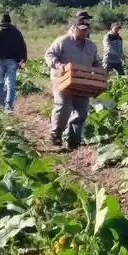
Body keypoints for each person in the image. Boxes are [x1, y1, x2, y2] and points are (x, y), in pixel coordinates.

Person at [44, 10, 102, 150]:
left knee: (81, 111)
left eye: (86, 30)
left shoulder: (91, 45)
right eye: (81, 30)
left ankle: (74, 141)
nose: (84, 33)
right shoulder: (63, 41)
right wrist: (58, 65)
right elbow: (49, 54)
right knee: (63, 106)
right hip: (62, 78)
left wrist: (101, 71)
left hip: (82, 81)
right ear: (74, 28)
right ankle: (56, 134)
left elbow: (96, 62)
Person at [0, 13, 27, 111]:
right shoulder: (16, 31)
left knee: (0, 82)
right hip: (12, 61)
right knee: (10, 83)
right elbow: (23, 45)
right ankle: (9, 106)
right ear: (10, 21)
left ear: (0, 21)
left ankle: (0, 103)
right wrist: (24, 58)